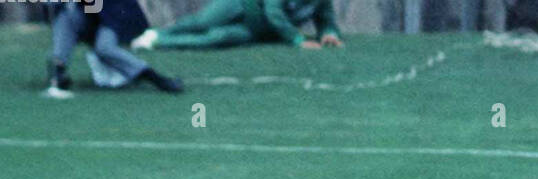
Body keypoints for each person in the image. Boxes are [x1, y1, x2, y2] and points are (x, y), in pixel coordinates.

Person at [45, 0, 183, 97]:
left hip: (111, 15)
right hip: (87, 15)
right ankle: (58, 69)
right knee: (67, 16)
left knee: (104, 49)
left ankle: (154, 77)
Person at [133, 0, 344, 51]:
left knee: (216, 38)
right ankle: (157, 33)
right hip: (242, 5)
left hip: (256, 30)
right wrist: (297, 40)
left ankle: (157, 41)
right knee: (203, 21)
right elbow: (273, 11)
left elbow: (326, 18)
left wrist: (329, 33)